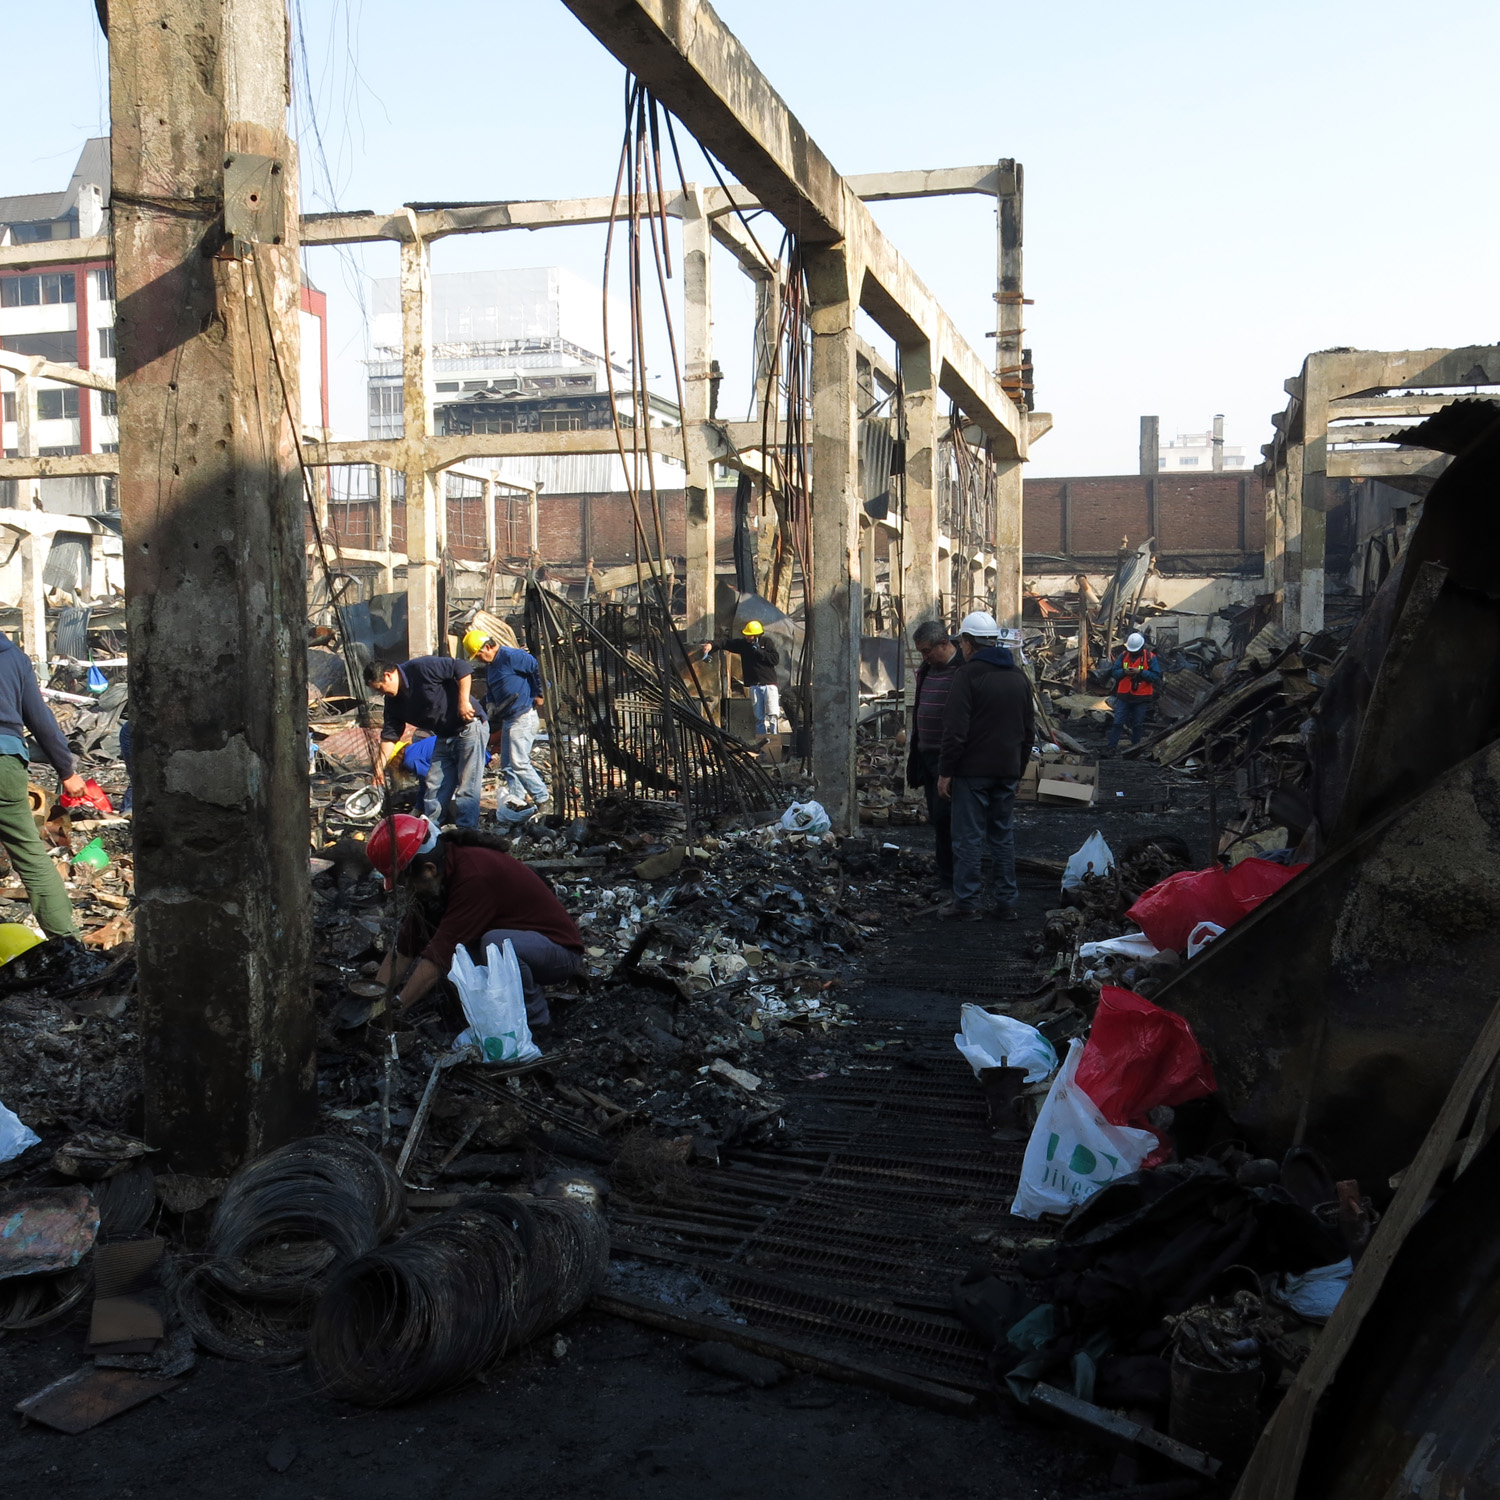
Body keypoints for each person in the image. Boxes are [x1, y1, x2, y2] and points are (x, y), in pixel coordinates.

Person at [367, 813, 582, 1029]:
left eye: (407, 881)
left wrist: (395, 1009)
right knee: (464, 961)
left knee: (495, 943)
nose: (408, 889)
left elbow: (439, 957)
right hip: (525, 945)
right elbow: (404, 948)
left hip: (559, 953)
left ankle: (534, 1022)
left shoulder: (474, 876)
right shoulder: (441, 872)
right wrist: (373, 998)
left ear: (429, 870)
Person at [937, 610, 1035, 922]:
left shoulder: (967, 676)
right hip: (1006, 770)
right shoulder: (1019, 677)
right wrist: (1017, 771)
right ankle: (1006, 903)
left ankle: (966, 903)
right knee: (1002, 837)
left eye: (962, 642)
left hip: (972, 772)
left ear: (968, 643)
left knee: (968, 838)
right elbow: (1028, 731)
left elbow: (955, 730)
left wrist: (945, 772)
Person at [0, 634, 88, 938]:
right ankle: (68, 943)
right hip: (6, 761)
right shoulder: (13, 657)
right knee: (29, 854)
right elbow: (40, 719)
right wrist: (66, 770)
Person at [365, 655, 487, 829]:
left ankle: (467, 835)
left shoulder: (420, 668)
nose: (381, 693)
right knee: (434, 785)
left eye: (381, 688)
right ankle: (431, 832)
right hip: (443, 735)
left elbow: (462, 668)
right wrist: (379, 767)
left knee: (467, 787)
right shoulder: (393, 703)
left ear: (388, 675)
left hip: (468, 728)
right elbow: (390, 735)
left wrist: (463, 701)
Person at [462, 628, 549, 812]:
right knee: (509, 765)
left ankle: (543, 799)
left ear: (487, 647)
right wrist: (491, 703)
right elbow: (492, 689)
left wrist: (540, 693)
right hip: (509, 719)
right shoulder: (491, 666)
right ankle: (517, 803)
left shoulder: (511, 656)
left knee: (519, 762)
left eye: (478, 655)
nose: (478, 659)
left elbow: (538, 670)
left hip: (523, 715)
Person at [905, 620, 960, 892]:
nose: (924, 656)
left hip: (949, 758)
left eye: (927, 651)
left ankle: (955, 881)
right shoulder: (928, 670)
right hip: (927, 755)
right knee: (938, 819)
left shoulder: (963, 670)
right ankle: (946, 876)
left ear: (944, 643)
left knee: (951, 819)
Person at [701, 619, 781, 737]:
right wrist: (711, 644)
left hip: (769, 685)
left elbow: (775, 659)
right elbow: (726, 643)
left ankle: (774, 743)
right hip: (754, 685)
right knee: (759, 718)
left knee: (772, 715)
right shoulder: (743, 645)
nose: (747, 638)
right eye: (746, 635)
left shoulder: (767, 642)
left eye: (750, 636)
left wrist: (759, 651)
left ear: (757, 635)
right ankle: (763, 744)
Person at [1105, 632, 1162, 752]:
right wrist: (1124, 672)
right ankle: (1111, 747)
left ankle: (1135, 748)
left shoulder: (1150, 657)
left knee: (1138, 724)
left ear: (1141, 647)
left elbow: (1156, 676)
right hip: (1124, 695)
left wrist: (1140, 672)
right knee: (1117, 722)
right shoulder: (1124, 655)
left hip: (1141, 697)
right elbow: (1115, 672)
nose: (1133, 653)